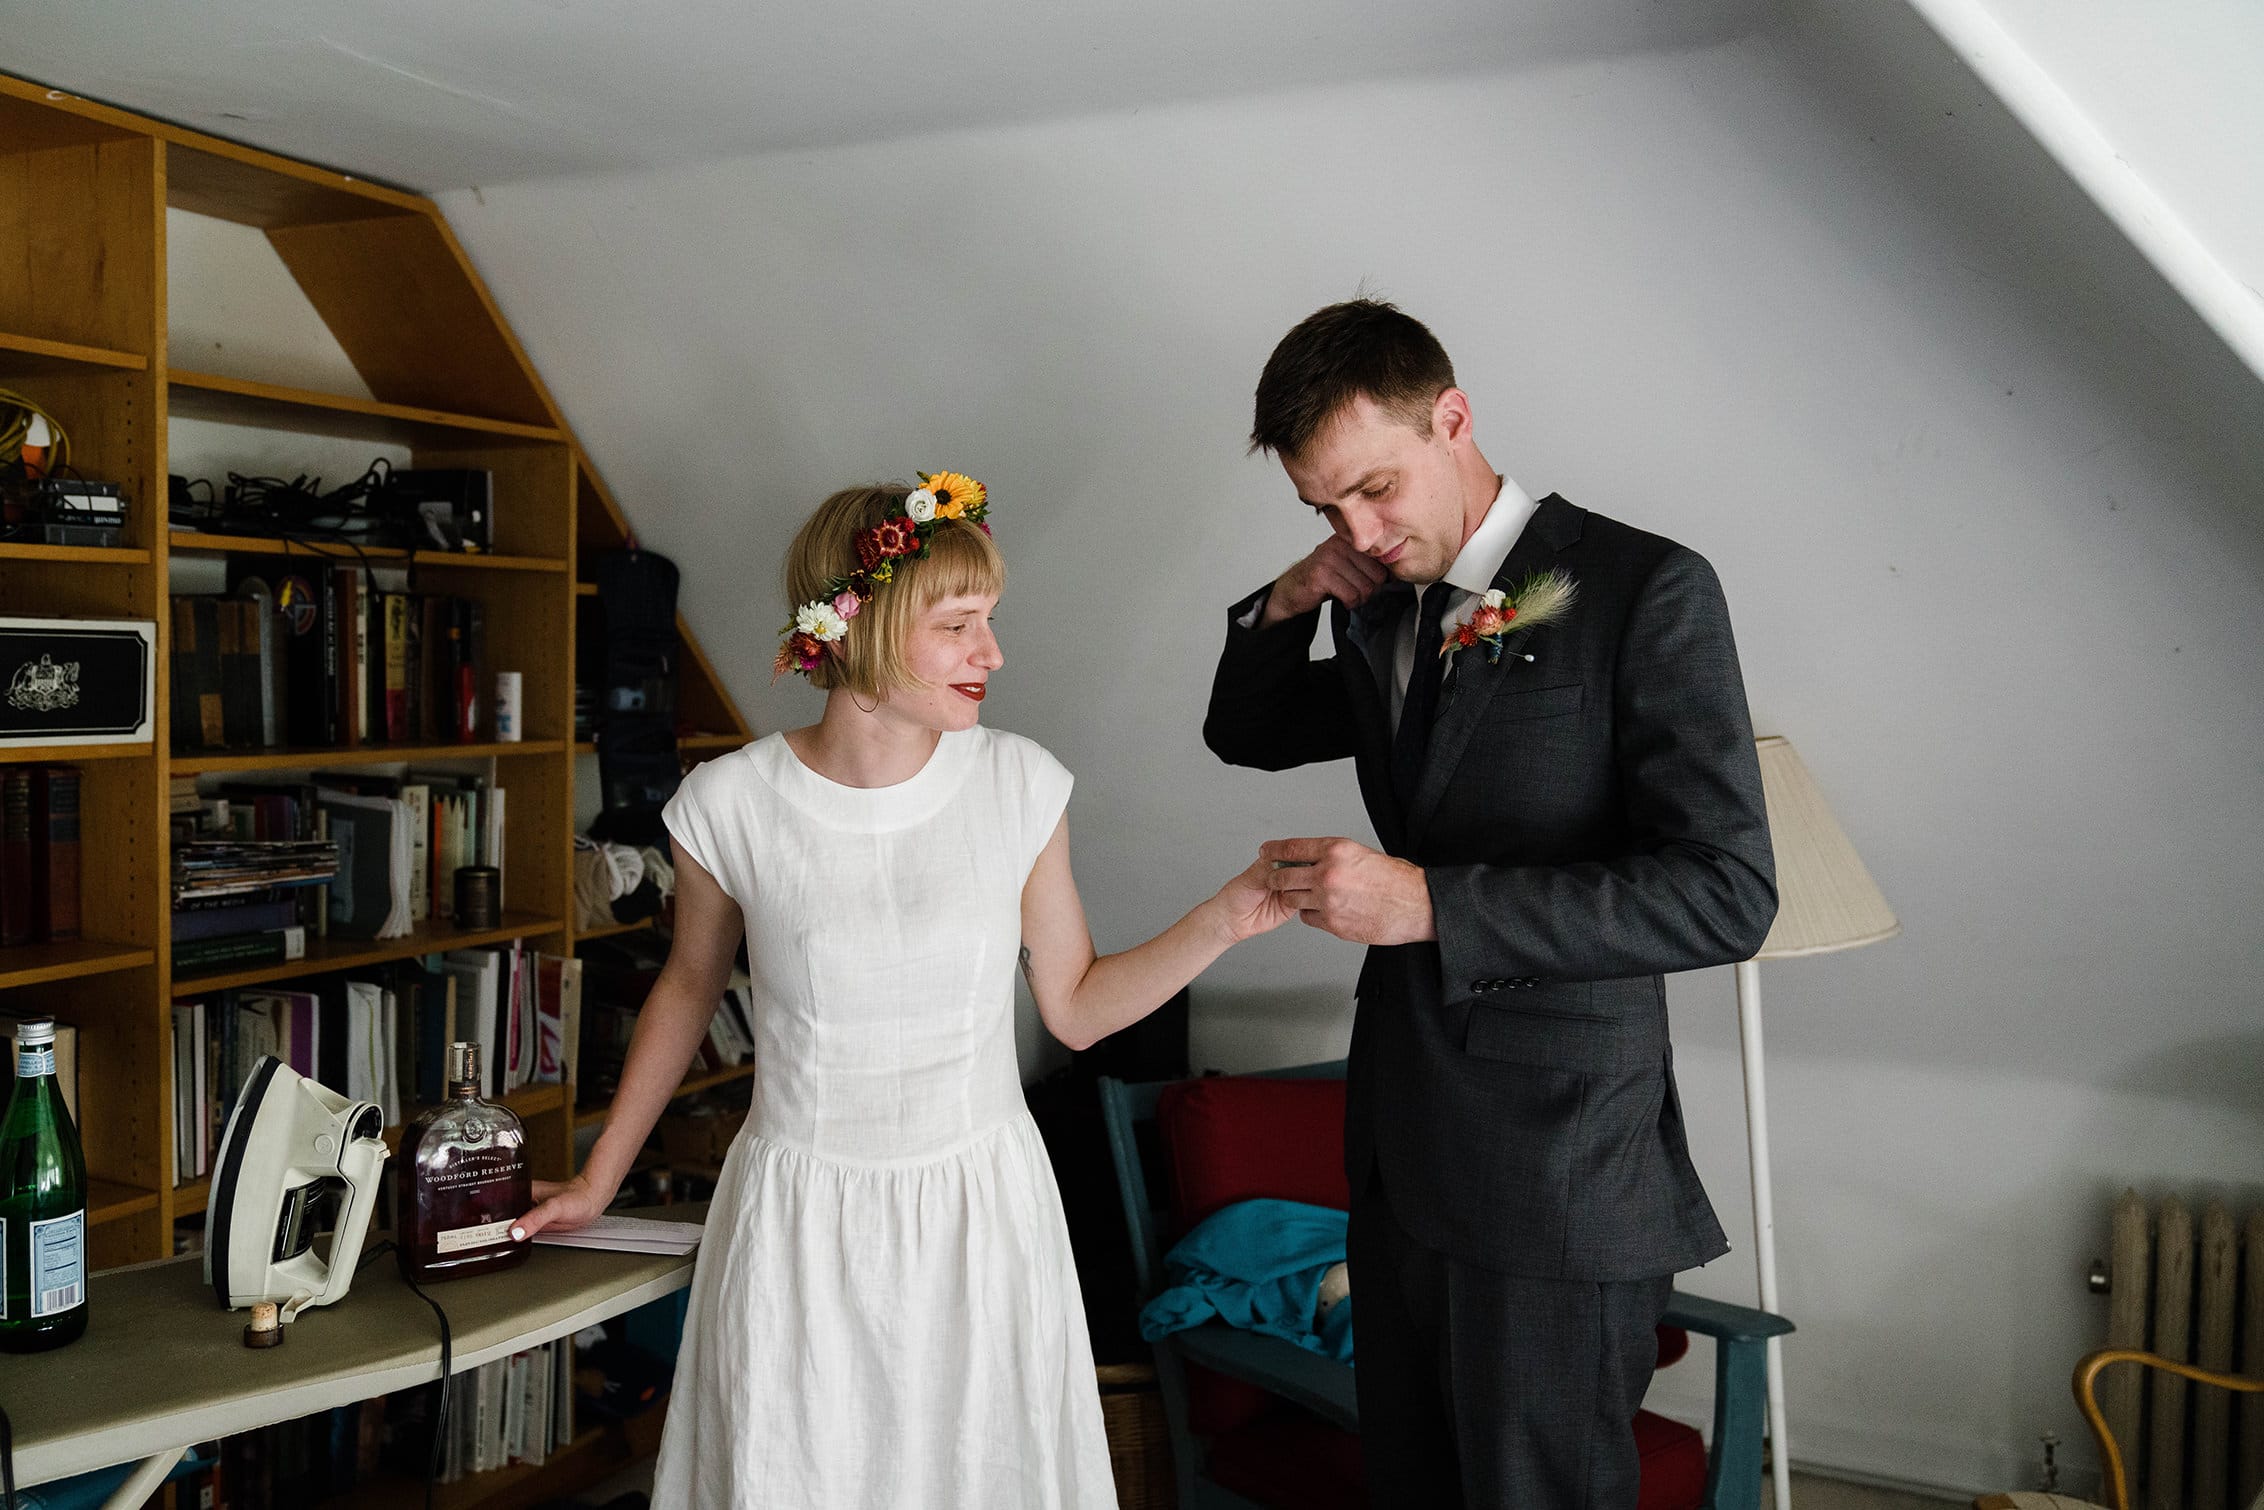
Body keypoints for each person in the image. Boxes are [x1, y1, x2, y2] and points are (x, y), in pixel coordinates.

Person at [516, 473, 1294, 1508]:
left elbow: (1072, 1005)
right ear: (865, 624)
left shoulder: (1019, 784)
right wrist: (595, 1180)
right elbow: (687, 988)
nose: (993, 653)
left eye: (990, 622)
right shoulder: (730, 803)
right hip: (797, 1217)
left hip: (980, 1212)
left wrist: (1227, 916)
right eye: (960, 623)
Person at [1203, 300, 1779, 1508]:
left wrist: (1431, 905)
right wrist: (1293, 591)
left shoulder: (1644, 589)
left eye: (1372, 489)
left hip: (1556, 1166)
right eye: (1322, 509)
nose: (1357, 528)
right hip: (1401, 1148)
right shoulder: (1375, 600)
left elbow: (1725, 892)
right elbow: (1244, 731)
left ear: (1452, 417)